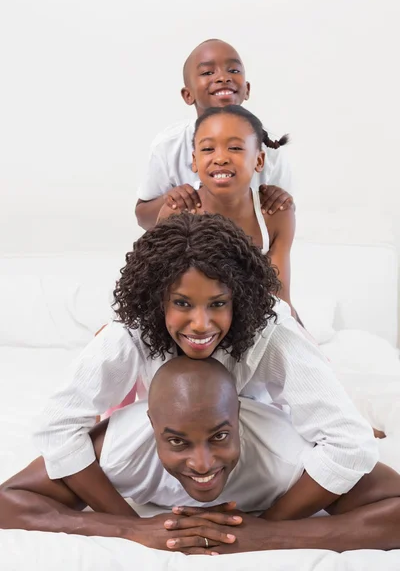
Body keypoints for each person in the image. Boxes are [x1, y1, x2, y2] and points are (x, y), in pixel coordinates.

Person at [32, 213, 378, 525]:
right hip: (168, 423)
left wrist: (266, 528)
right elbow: (58, 426)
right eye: (182, 303)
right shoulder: (130, 333)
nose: (200, 324)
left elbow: (350, 444)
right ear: (159, 300)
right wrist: (130, 526)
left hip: (255, 422)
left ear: (237, 300)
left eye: (218, 303)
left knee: (331, 411)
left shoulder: (273, 334)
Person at [2, 357, 399, 555]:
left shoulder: (288, 453)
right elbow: (7, 501)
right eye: (177, 442)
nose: (203, 464)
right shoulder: (121, 448)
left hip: (268, 410)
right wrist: (126, 528)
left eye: (220, 437)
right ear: (152, 427)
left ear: (238, 422)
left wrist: (273, 534)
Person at [135, 39, 294, 230]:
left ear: (247, 89)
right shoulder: (168, 145)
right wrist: (171, 202)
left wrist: (279, 200)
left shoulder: (269, 147)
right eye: (207, 72)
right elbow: (143, 217)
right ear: (188, 95)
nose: (223, 78)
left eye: (233, 70)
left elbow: (283, 214)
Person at [158, 104, 295, 314]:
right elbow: (156, 285)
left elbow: (279, 298)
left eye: (235, 148)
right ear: (194, 161)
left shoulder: (275, 214)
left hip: (254, 317)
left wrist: (296, 336)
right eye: (207, 149)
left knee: (299, 338)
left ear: (259, 160)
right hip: (195, 320)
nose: (220, 158)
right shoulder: (178, 212)